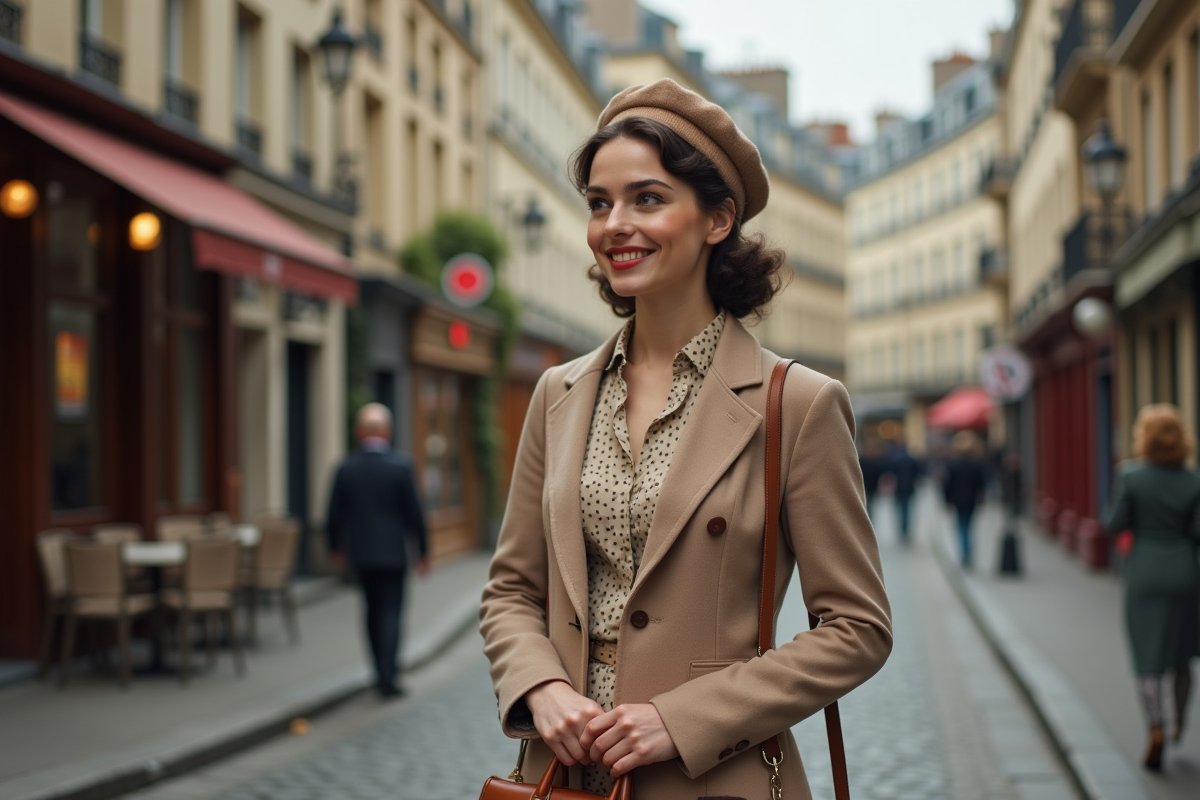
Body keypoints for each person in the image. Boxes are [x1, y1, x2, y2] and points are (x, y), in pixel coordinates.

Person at [480, 79, 893, 800]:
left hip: (709, 776)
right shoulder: (559, 394)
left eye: (647, 198)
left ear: (717, 219)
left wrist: (681, 720)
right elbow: (513, 588)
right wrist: (540, 687)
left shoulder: (796, 404)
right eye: (600, 203)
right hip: (562, 776)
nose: (614, 225)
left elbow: (857, 626)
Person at [1102, 404, 1200, 771]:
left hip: (1144, 572)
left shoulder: (1130, 476)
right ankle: (1180, 724)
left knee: (1148, 659)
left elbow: (1114, 524)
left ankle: (1154, 726)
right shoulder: (1194, 480)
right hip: (1185, 573)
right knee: (1183, 656)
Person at [326, 403, 429, 698]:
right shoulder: (401, 466)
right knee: (391, 613)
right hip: (394, 554)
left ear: (359, 432)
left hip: (362, 554)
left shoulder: (346, 467)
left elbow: (333, 513)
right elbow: (415, 513)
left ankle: (377, 670)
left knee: (371, 612)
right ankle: (389, 675)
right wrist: (422, 550)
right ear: (387, 431)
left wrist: (335, 547)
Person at [941, 430, 986, 568]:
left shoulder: (952, 465)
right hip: (971, 500)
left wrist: (946, 501)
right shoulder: (976, 465)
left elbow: (947, 485)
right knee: (969, 526)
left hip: (957, 500)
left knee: (961, 526)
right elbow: (981, 485)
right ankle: (967, 553)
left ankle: (964, 553)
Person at [887, 438, 923, 543]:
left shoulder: (894, 459)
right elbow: (918, 473)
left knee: (899, 509)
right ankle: (905, 529)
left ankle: (902, 529)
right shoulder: (911, 459)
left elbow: (890, 474)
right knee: (906, 509)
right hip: (909, 488)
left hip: (898, 488)